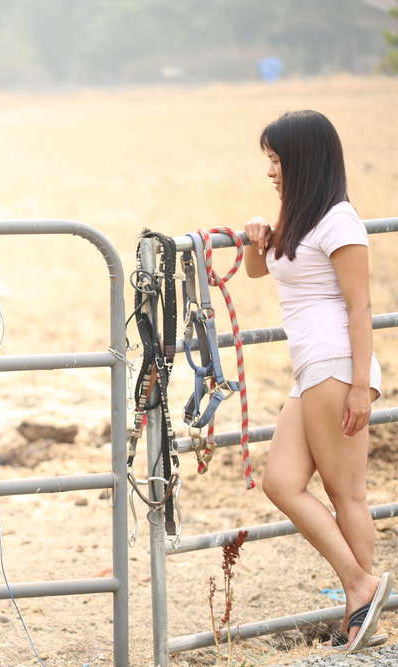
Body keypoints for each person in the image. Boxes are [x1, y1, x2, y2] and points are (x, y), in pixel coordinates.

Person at [244, 109, 392, 653]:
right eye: (269, 160)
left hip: (336, 363)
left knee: (346, 493)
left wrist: (359, 385)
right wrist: (254, 238)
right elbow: (264, 271)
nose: (271, 171)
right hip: (310, 370)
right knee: (281, 483)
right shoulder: (300, 217)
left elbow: (361, 307)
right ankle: (362, 593)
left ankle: (361, 607)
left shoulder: (339, 221)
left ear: (305, 160)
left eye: (277, 160)